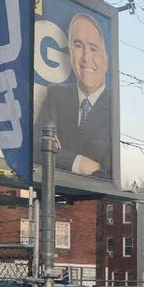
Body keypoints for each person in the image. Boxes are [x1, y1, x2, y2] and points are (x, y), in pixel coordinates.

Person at [35, 13, 112, 178]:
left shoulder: (115, 107)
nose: (86, 57)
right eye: (78, 45)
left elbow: (106, 172)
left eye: (93, 48)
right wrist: (78, 162)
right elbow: (35, 148)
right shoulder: (56, 96)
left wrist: (55, 153)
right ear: (70, 52)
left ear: (105, 59)